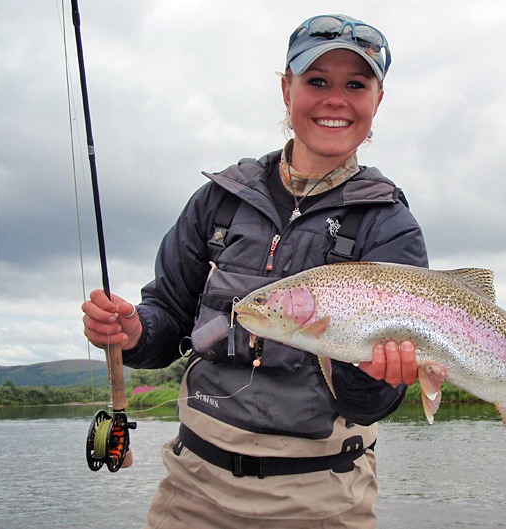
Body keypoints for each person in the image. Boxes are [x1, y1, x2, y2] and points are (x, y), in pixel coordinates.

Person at [81, 14, 428, 529]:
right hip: (192, 494)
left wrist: (372, 371)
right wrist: (134, 330)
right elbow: (168, 323)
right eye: (316, 81)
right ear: (287, 89)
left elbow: (372, 403)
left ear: (378, 100)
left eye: (356, 84)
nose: (335, 100)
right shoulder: (218, 201)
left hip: (322, 502)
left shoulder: (390, 225)